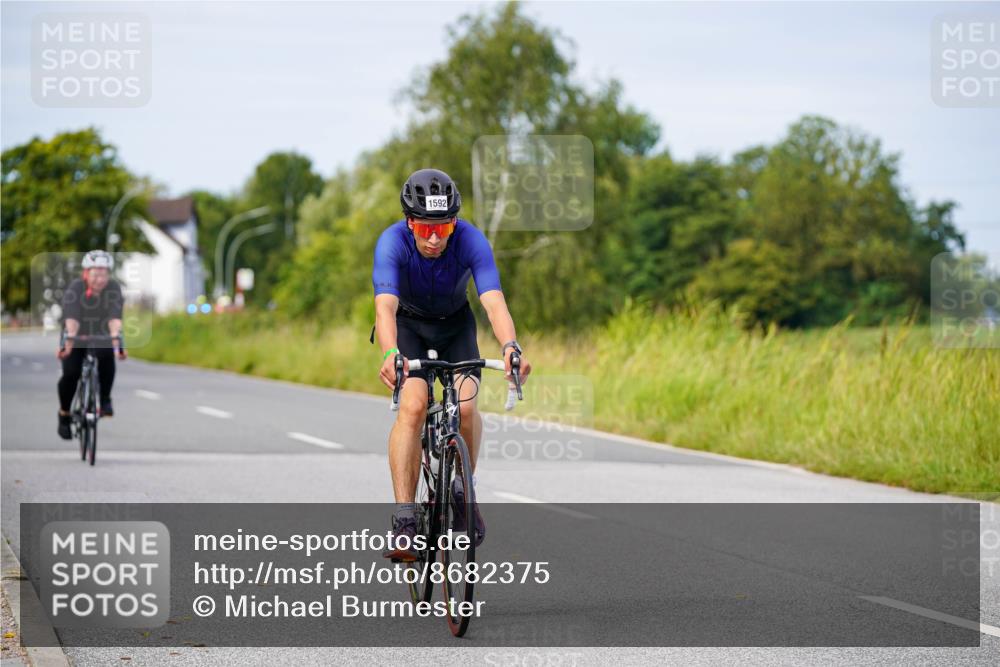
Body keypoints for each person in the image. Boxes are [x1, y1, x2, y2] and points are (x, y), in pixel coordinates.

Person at [373, 168, 532, 560]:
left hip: (455, 326)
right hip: (408, 326)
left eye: (442, 229)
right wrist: (391, 354)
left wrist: (510, 345)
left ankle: (463, 489)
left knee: (464, 406)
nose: (432, 238)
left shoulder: (471, 240)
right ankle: (406, 519)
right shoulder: (392, 242)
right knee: (412, 405)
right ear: (409, 222)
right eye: (424, 227)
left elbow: (493, 300)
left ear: (454, 223)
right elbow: (385, 306)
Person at [56, 250, 127, 439]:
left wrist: (117, 342)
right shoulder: (76, 288)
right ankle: (64, 414)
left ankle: (104, 399)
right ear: (86, 273)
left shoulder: (113, 288)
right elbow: (71, 318)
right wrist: (69, 342)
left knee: (106, 354)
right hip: (75, 333)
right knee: (71, 373)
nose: (100, 279)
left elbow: (114, 318)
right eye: (96, 274)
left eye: (104, 274)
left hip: (100, 333)